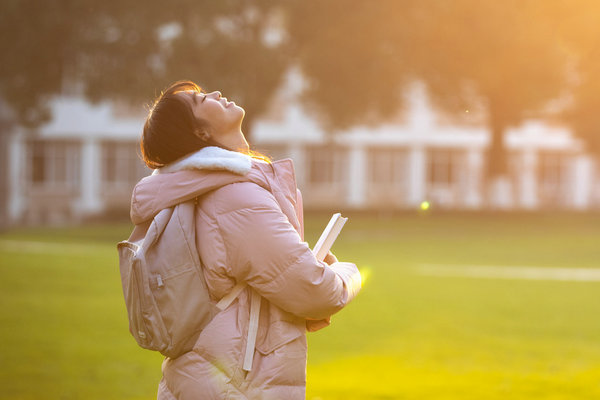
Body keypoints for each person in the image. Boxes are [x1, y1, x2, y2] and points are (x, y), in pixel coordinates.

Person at [132, 80, 362, 399]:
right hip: (236, 388)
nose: (213, 93)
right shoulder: (235, 198)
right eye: (200, 101)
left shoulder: (204, 192)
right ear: (200, 133)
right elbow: (315, 291)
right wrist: (348, 274)